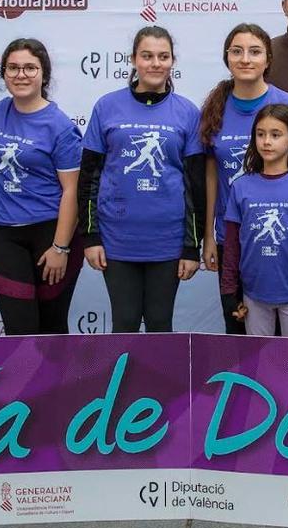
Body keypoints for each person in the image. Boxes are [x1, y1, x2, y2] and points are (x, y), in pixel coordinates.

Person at [78, 26, 205, 332]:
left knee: (161, 323)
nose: (155, 63)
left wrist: (191, 246)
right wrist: (91, 236)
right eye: (147, 56)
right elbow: (89, 177)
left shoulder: (187, 112)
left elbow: (194, 185)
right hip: (117, 240)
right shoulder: (106, 107)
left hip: (168, 241)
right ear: (133, 59)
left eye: (163, 56)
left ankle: (160, 383)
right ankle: (125, 382)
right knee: (125, 321)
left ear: (172, 61)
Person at [200, 24, 288, 333]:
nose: (245, 58)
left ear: (268, 58)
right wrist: (209, 235)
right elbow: (211, 175)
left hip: (286, 240)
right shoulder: (213, 108)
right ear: (226, 58)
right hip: (232, 239)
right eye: (236, 51)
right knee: (240, 330)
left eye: (254, 51)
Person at [0, 38, 84, 335]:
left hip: (51, 234)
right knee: (19, 329)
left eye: (30, 67)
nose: (21, 74)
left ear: (44, 73)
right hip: (6, 236)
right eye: (13, 68)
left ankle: (58, 384)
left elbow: (72, 191)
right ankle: (25, 384)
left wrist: (60, 247)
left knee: (51, 329)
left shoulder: (60, 126)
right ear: (4, 74)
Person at [221, 104, 288, 337]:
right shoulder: (241, 187)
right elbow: (231, 247)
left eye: (275, 135)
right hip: (253, 295)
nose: (266, 142)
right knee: (259, 364)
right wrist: (229, 291)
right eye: (260, 134)